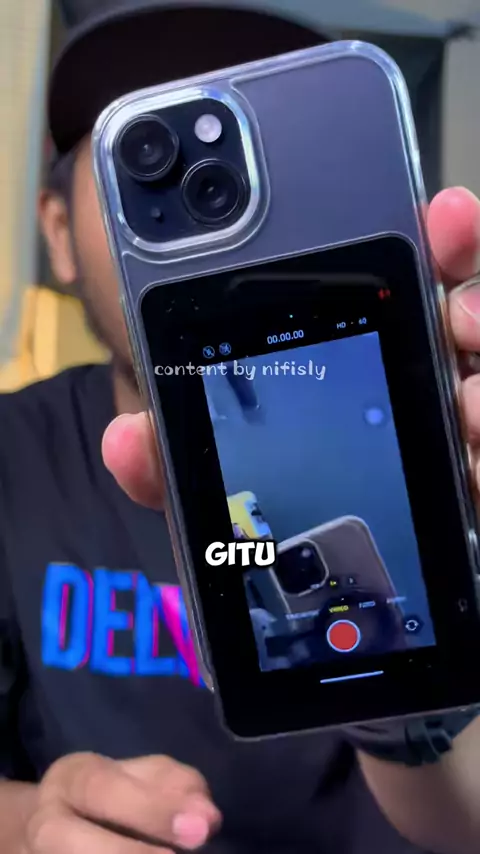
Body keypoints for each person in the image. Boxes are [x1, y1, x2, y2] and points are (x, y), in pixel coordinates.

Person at [1, 2, 480, 853]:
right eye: (148, 161)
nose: (217, 230)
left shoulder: (414, 442)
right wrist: (25, 821)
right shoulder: (11, 457)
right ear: (59, 232)